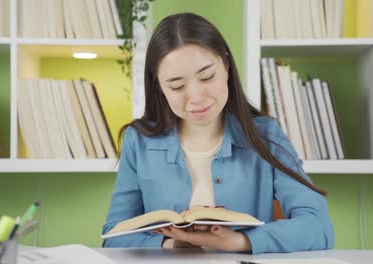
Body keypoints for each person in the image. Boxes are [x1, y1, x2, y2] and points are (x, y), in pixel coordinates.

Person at [102, 12, 334, 254]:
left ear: (226, 66)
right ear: (159, 86)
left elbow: (318, 228)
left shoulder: (266, 134)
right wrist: (174, 243)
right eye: (177, 86)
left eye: (207, 76)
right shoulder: (138, 141)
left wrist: (238, 241)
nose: (196, 97)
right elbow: (113, 237)